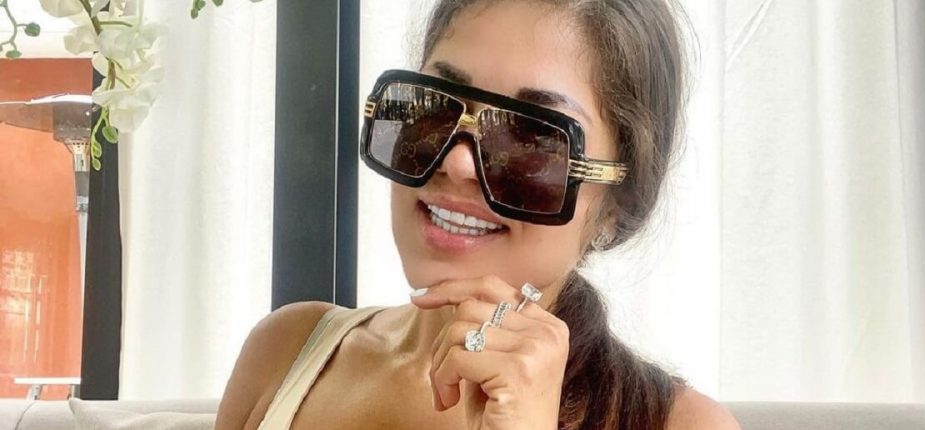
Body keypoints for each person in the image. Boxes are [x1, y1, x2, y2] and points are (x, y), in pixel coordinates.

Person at [215, 0, 741, 429]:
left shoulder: (682, 425)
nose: (457, 163)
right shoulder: (286, 352)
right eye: (434, 106)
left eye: (532, 141)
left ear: (615, 206)